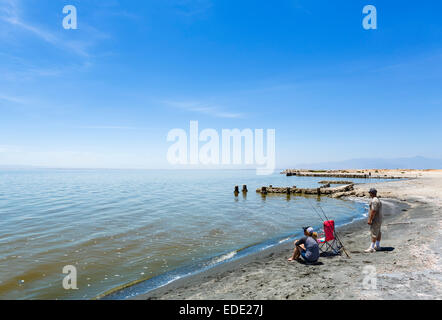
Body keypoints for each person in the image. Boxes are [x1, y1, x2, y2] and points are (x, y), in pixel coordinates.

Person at [365, 188, 383, 253]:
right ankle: (377, 245)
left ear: (372, 193)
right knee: (378, 232)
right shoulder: (377, 199)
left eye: (370, 193)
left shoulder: (374, 200)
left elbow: (373, 211)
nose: (369, 194)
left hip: (376, 219)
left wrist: (370, 219)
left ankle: (372, 247)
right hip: (379, 218)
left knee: (374, 233)